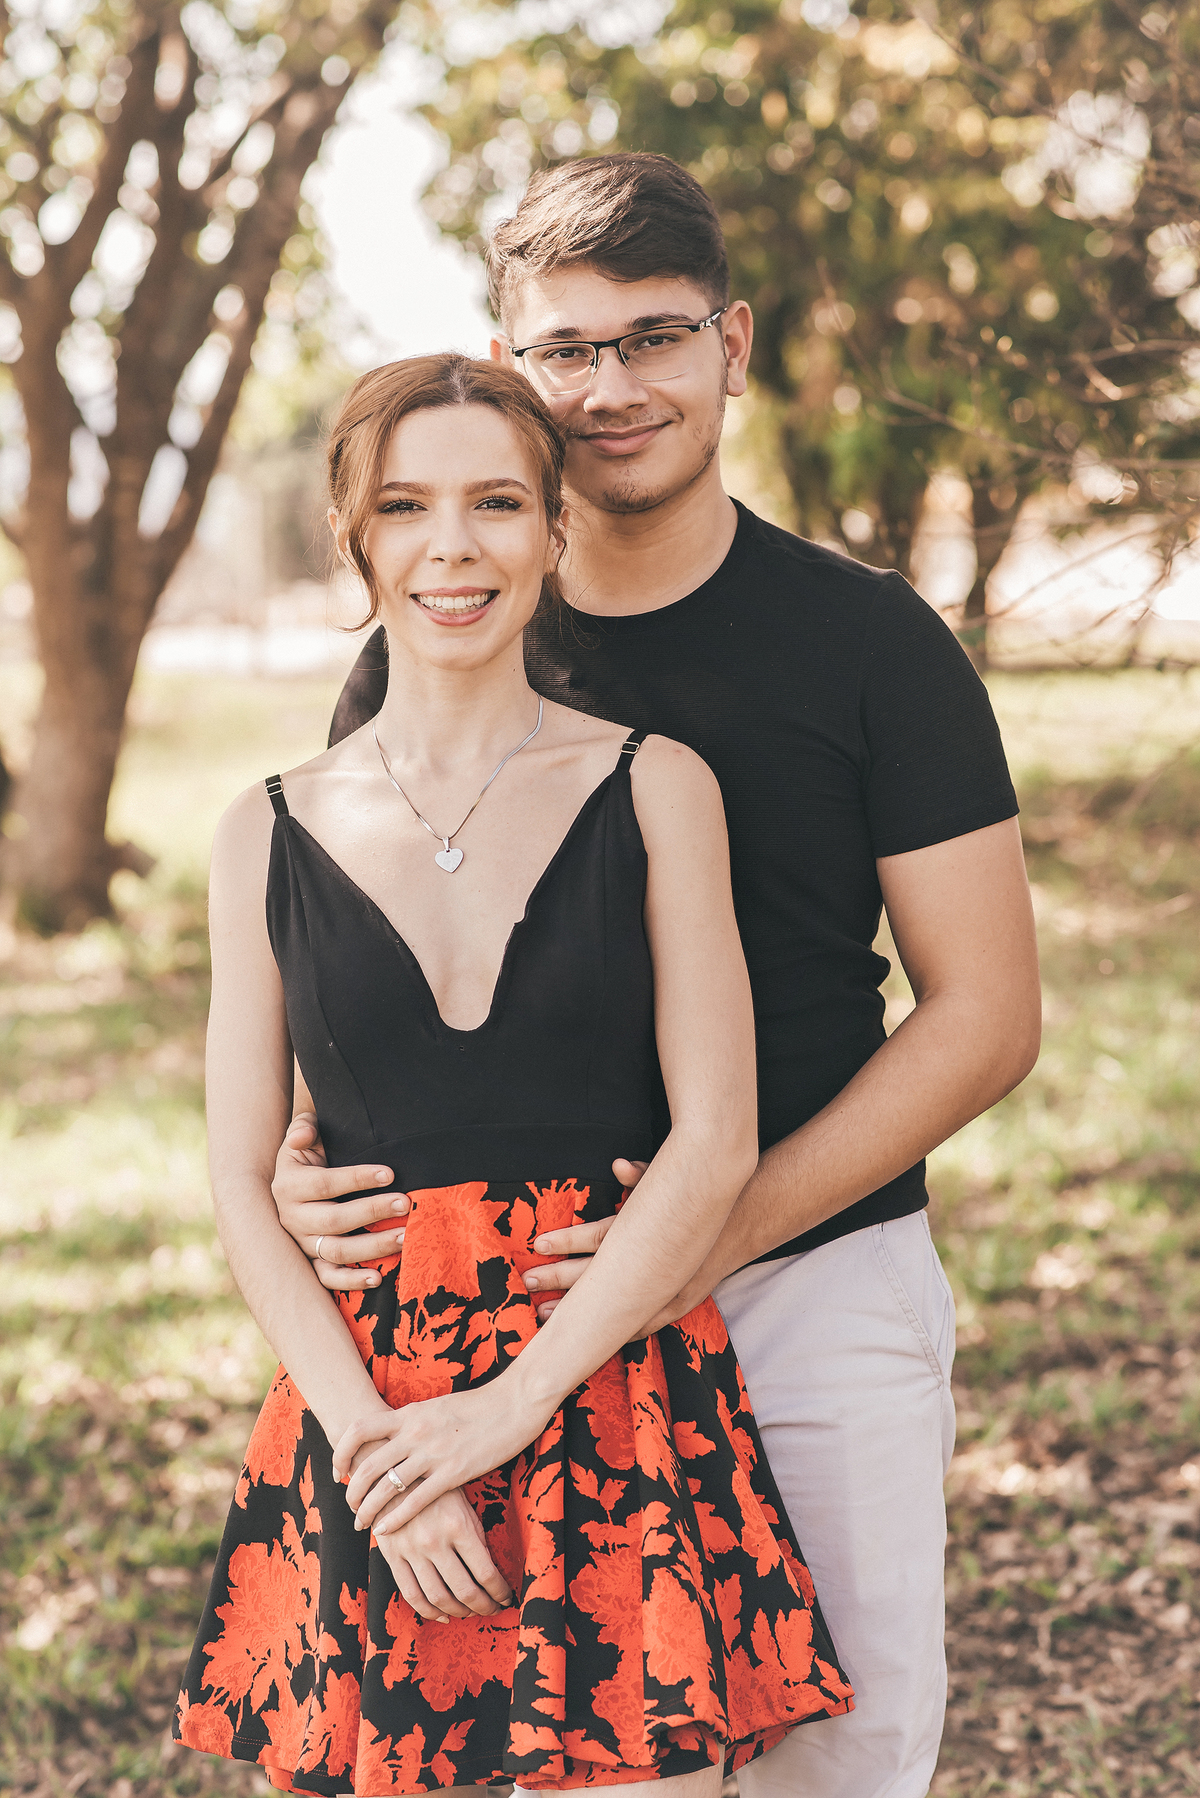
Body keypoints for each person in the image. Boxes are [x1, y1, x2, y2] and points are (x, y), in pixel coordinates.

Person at [271, 154, 1042, 1798]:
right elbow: (355, 947)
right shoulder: (443, 632)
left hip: (809, 1274)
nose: (612, 386)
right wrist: (294, 1153)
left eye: (655, 337)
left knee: (837, 1759)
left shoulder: (872, 642)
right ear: (511, 363)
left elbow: (986, 1015)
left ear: (732, 345)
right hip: (503, 1316)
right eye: (567, 348)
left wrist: (709, 1232)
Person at [174, 352, 854, 1798]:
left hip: (613, 1395)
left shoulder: (658, 786)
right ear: (354, 536)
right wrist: (379, 1456)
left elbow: (716, 1138)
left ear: (554, 529)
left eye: (495, 502)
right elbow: (239, 1178)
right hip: (370, 1414)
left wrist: (518, 1401)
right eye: (405, 505)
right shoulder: (262, 831)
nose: (453, 547)